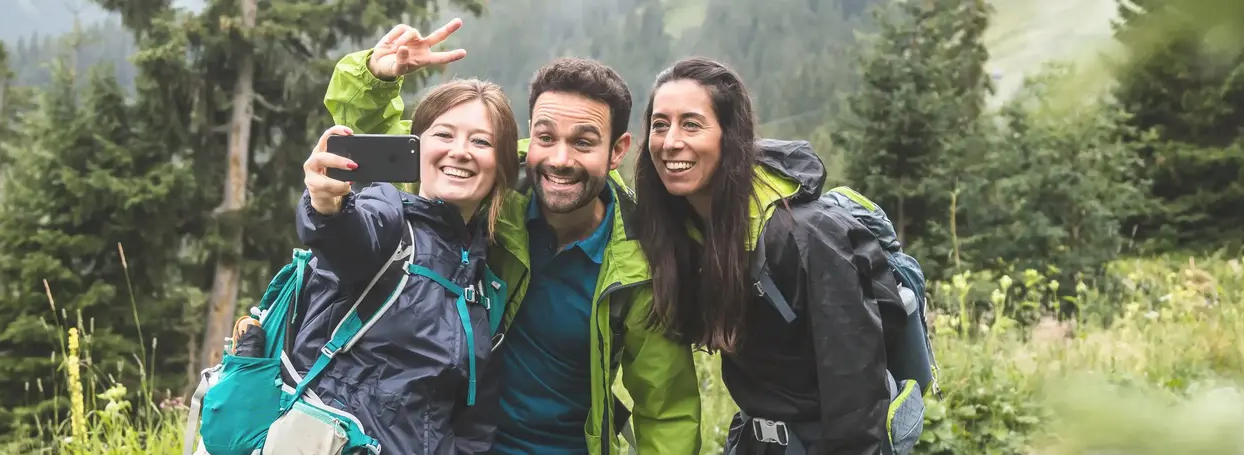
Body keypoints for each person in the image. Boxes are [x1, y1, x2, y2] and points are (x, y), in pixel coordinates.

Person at [320, 18, 704, 455]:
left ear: (617, 151)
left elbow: (665, 409)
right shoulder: (494, 189)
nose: (560, 159)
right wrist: (375, 78)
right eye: (546, 137)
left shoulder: (641, 263)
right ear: (530, 134)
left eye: (583, 142)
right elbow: (402, 150)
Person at [631, 57, 907, 455]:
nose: (670, 141)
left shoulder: (805, 235)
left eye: (691, 124)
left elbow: (856, 394)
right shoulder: (686, 232)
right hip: (757, 440)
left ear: (729, 136)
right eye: (660, 124)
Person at [293, 72, 520, 453]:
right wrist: (326, 205)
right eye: (444, 135)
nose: (460, 151)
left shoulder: (485, 284)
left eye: (481, 141)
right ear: (416, 148)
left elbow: (475, 424)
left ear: (501, 164)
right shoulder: (388, 217)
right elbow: (347, 239)